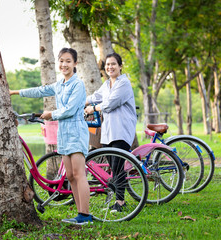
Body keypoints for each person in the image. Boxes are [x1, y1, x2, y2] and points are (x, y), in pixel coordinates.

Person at [10, 48, 92, 225]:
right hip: (63, 133)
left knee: (79, 174)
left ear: (75, 64)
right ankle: (79, 214)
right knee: (70, 175)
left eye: (68, 61)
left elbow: (70, 110)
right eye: (61, 61)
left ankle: (85, 216)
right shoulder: (60, 84)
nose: (64, 64)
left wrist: (50, 115)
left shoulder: (78, 84)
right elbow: (41, 90)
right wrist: (15, 92)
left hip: (76, 132)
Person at [84, 52, 137, 213]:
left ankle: (119, 203)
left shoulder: (124, 83)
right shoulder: (107, 84)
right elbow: (95, 97)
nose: (110, 67)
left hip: (121, 129)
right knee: (114, 167)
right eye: (107, 64)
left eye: (113, 64)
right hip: (108, 132)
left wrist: (93, 108)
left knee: (117, 166)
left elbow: (110, 103)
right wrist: (80, 102)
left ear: (120, 66)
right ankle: (119, 198)